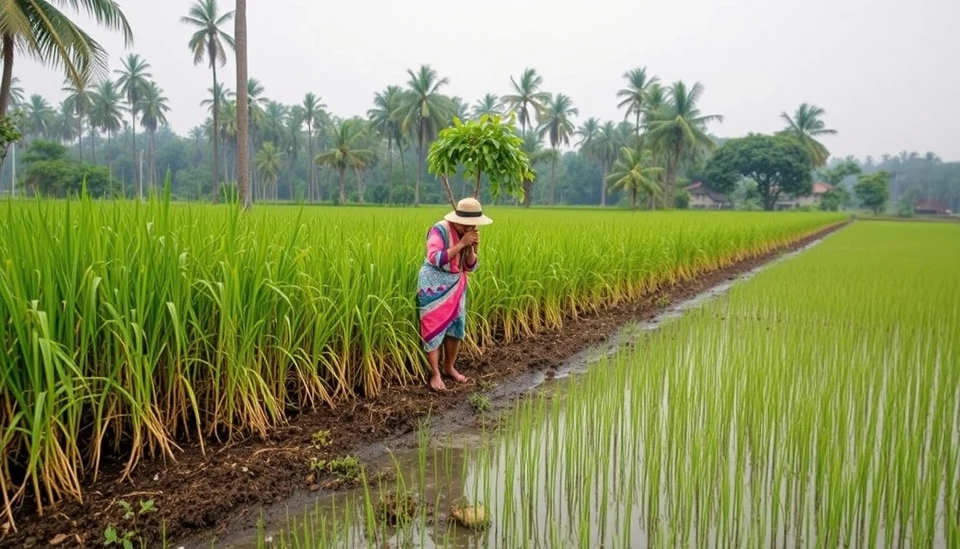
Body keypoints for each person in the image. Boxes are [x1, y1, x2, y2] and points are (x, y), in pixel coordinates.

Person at [417, 197, 492, 391]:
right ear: (458, 221)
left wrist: (471, 250)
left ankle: (449, 367)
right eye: (468, 224)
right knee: (432, 327)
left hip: (457, 283)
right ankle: (435, 373)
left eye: (474, 224)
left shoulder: (470, 234)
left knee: (457, 327)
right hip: (433, 283)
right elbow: (435, 258)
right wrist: (460, 244)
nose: (472, 227)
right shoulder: (439, 230)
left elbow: (470, 266)